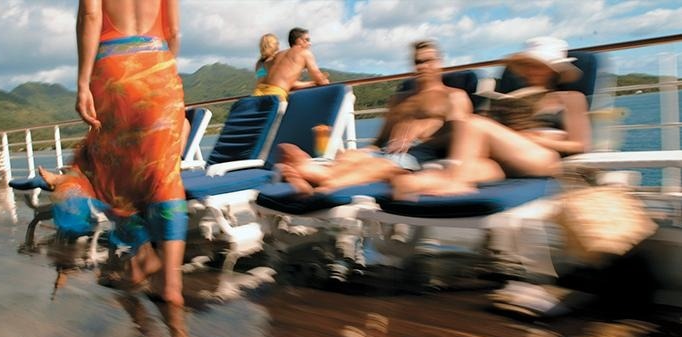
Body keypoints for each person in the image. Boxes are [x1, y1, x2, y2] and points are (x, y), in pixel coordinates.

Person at [11, 0, 187, 305]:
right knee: (166, 173)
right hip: (159, 66)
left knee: (102, 171)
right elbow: (173, 30)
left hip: (113, 69)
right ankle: (171, 283)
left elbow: (91, 15)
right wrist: (156, 67)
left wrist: (82, 83)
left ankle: (143, 249)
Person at [392, 36, 591, 198]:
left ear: (554, 70)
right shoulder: (518, 96)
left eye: (537, 65)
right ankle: (411, 195)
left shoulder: (570, 98)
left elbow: (580, 145)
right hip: (504, 159)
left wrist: (537, 138)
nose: (531, 71)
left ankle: (458, 184)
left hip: (544, 158)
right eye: (528, 66)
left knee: (474, 124)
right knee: (433, 174)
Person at [277, 39, 473, 194]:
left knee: (380, 165)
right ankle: (312, 174)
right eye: (417, 62)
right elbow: (379, 143)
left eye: (428, 61)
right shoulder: (400, 99)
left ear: (439, 63)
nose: (422, 67)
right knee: (352, 156)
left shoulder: (453, 96)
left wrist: (428, 129)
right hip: (388, 152)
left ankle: (324, 180)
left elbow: (463, 137)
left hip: (420, 155)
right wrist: (362, 152)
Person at [252, 27, 329, 101]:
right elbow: (321, 80)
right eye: (277, 43)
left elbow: (269, 81)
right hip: (275, 95)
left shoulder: (260, 64)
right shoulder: (302, 53)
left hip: (257, 94)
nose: (310, 43)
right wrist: (317, 82)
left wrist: (312, 83)